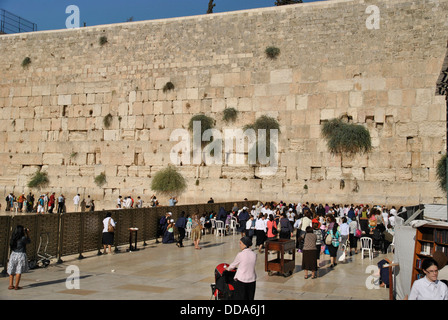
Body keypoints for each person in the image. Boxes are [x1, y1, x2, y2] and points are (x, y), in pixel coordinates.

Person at [7, 225, 31, 290]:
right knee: (18, 270)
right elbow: (29, 241)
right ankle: (16, 286)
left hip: (13, 254)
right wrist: (28, 234)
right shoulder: (23, 238)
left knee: (12, 269)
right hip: (21, 255)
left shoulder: (13, 238)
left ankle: (10, 285)